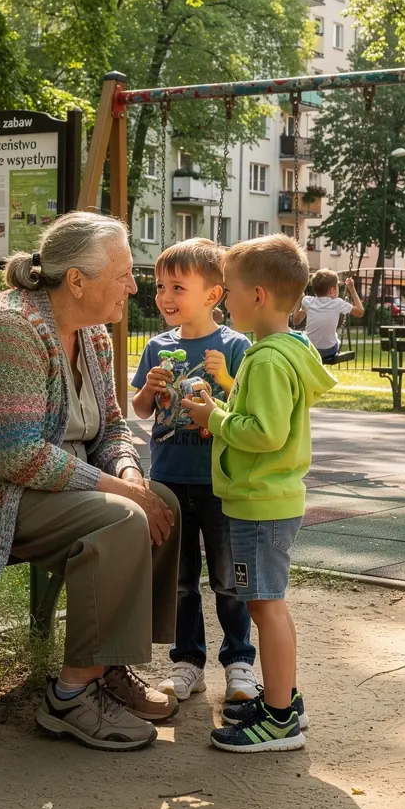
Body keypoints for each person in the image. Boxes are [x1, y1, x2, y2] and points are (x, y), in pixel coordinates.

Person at [0, 212, 180, 752]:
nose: (134, 285)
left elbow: (113, 427)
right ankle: (72, 695)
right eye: (123, 273)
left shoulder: (92, 333)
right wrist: (123, 493)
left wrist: (127, 471)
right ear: (77, 280)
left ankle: (106, 666)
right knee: (124, 517)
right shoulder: (9, 327)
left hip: (38, 486)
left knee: (160, 500)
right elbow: (16, 457)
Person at [182, 234, 336, 753]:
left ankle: (278, 718)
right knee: (266, 604)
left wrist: (214, 417)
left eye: (230, 291)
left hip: (260, 502)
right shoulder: (287, 349)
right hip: (269, 498)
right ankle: (282, 698)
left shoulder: (268, 359)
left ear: (260, 296)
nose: (224, 301)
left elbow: (264, 433)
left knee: (264, 606)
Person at [131, 238, 256, 706]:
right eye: (160, 286)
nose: (164, 296)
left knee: (229, 577)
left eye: (177, 287)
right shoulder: (157, 346)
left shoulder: (235, 345)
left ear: (212, 295)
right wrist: (149, 385)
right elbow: (142, 410)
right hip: (169, 478)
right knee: (182, 581)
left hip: (220, 481)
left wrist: (225, 381)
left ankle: (240, 662)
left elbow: (246, 410)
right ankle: (187, 663)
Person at [291, 269, 364, 364]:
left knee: (301, 335)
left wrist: (299, 301)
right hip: (328, 350)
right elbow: (360, 312)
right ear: (332, 290)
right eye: (337, 286)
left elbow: (295, 321)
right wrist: (352, 290)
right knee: (336, 339)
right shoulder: (337, 303)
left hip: (309, 348)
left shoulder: (308, 301)